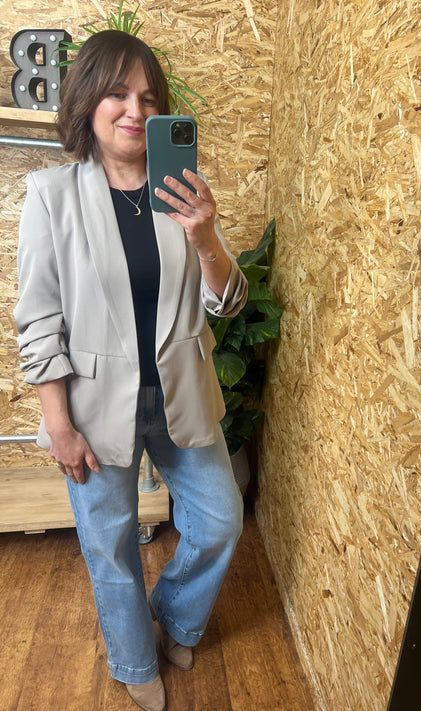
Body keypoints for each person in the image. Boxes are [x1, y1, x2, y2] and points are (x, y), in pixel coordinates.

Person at [14, 29, 248, 711]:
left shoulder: (183, 193)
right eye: (117, 93)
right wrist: (58, 425)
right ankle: (132, 658)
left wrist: (204, 235)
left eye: (148, 98)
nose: (134, 110)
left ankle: (174, 615)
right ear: (87, 101)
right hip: (93, 407)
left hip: (181, 396)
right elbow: (39, 320)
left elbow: (228, 302)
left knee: (220, 519)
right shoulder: (52, 196)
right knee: (109, 545)